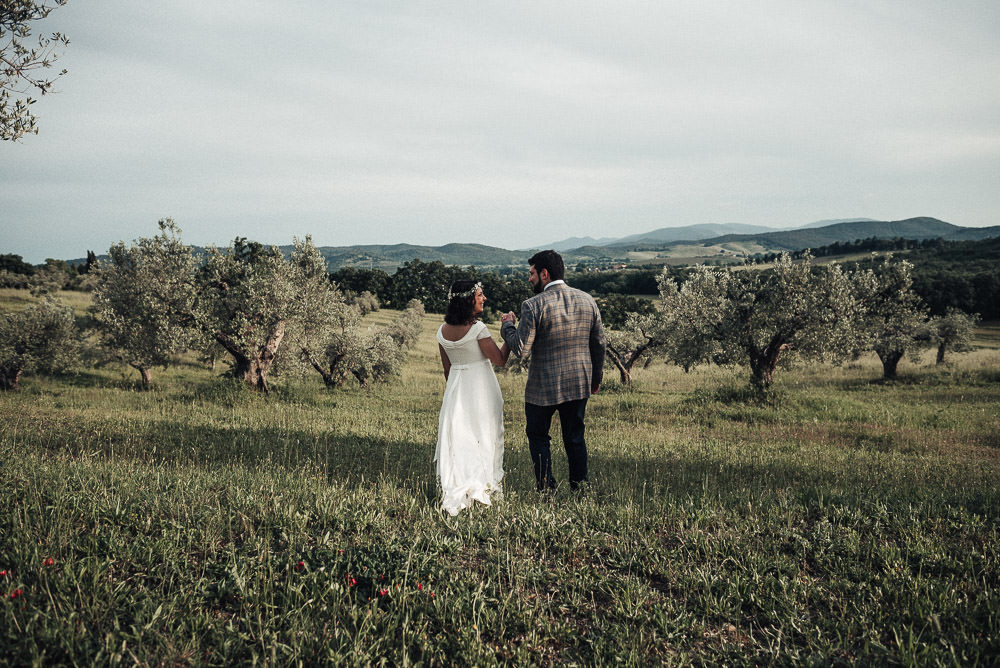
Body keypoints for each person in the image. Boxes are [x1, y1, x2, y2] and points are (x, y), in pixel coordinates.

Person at [500, 250, 605, 491]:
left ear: (544, 274)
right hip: (579, 383)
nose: (530, 279)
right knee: (575, 437)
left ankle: (547, 488)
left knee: (538, 438)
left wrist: (507, 326)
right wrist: (595, 378)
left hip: (542, 387)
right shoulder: (588, 300)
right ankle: (580, 488)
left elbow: (521, 349)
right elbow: (599, 344)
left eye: (532, 273)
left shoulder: (533, 305)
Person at [435, 279, 511, 515]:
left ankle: (461, 483)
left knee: (460, 437)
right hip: (481, 390)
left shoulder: (441, 332)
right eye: (480, 294)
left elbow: (448, 370)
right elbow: (500, 360)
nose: (484, 298)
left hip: (456, 391)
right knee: (483, 434)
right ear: (469, 300)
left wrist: (456, 391)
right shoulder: (478, 330)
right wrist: (509, 332)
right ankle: (483, 484)